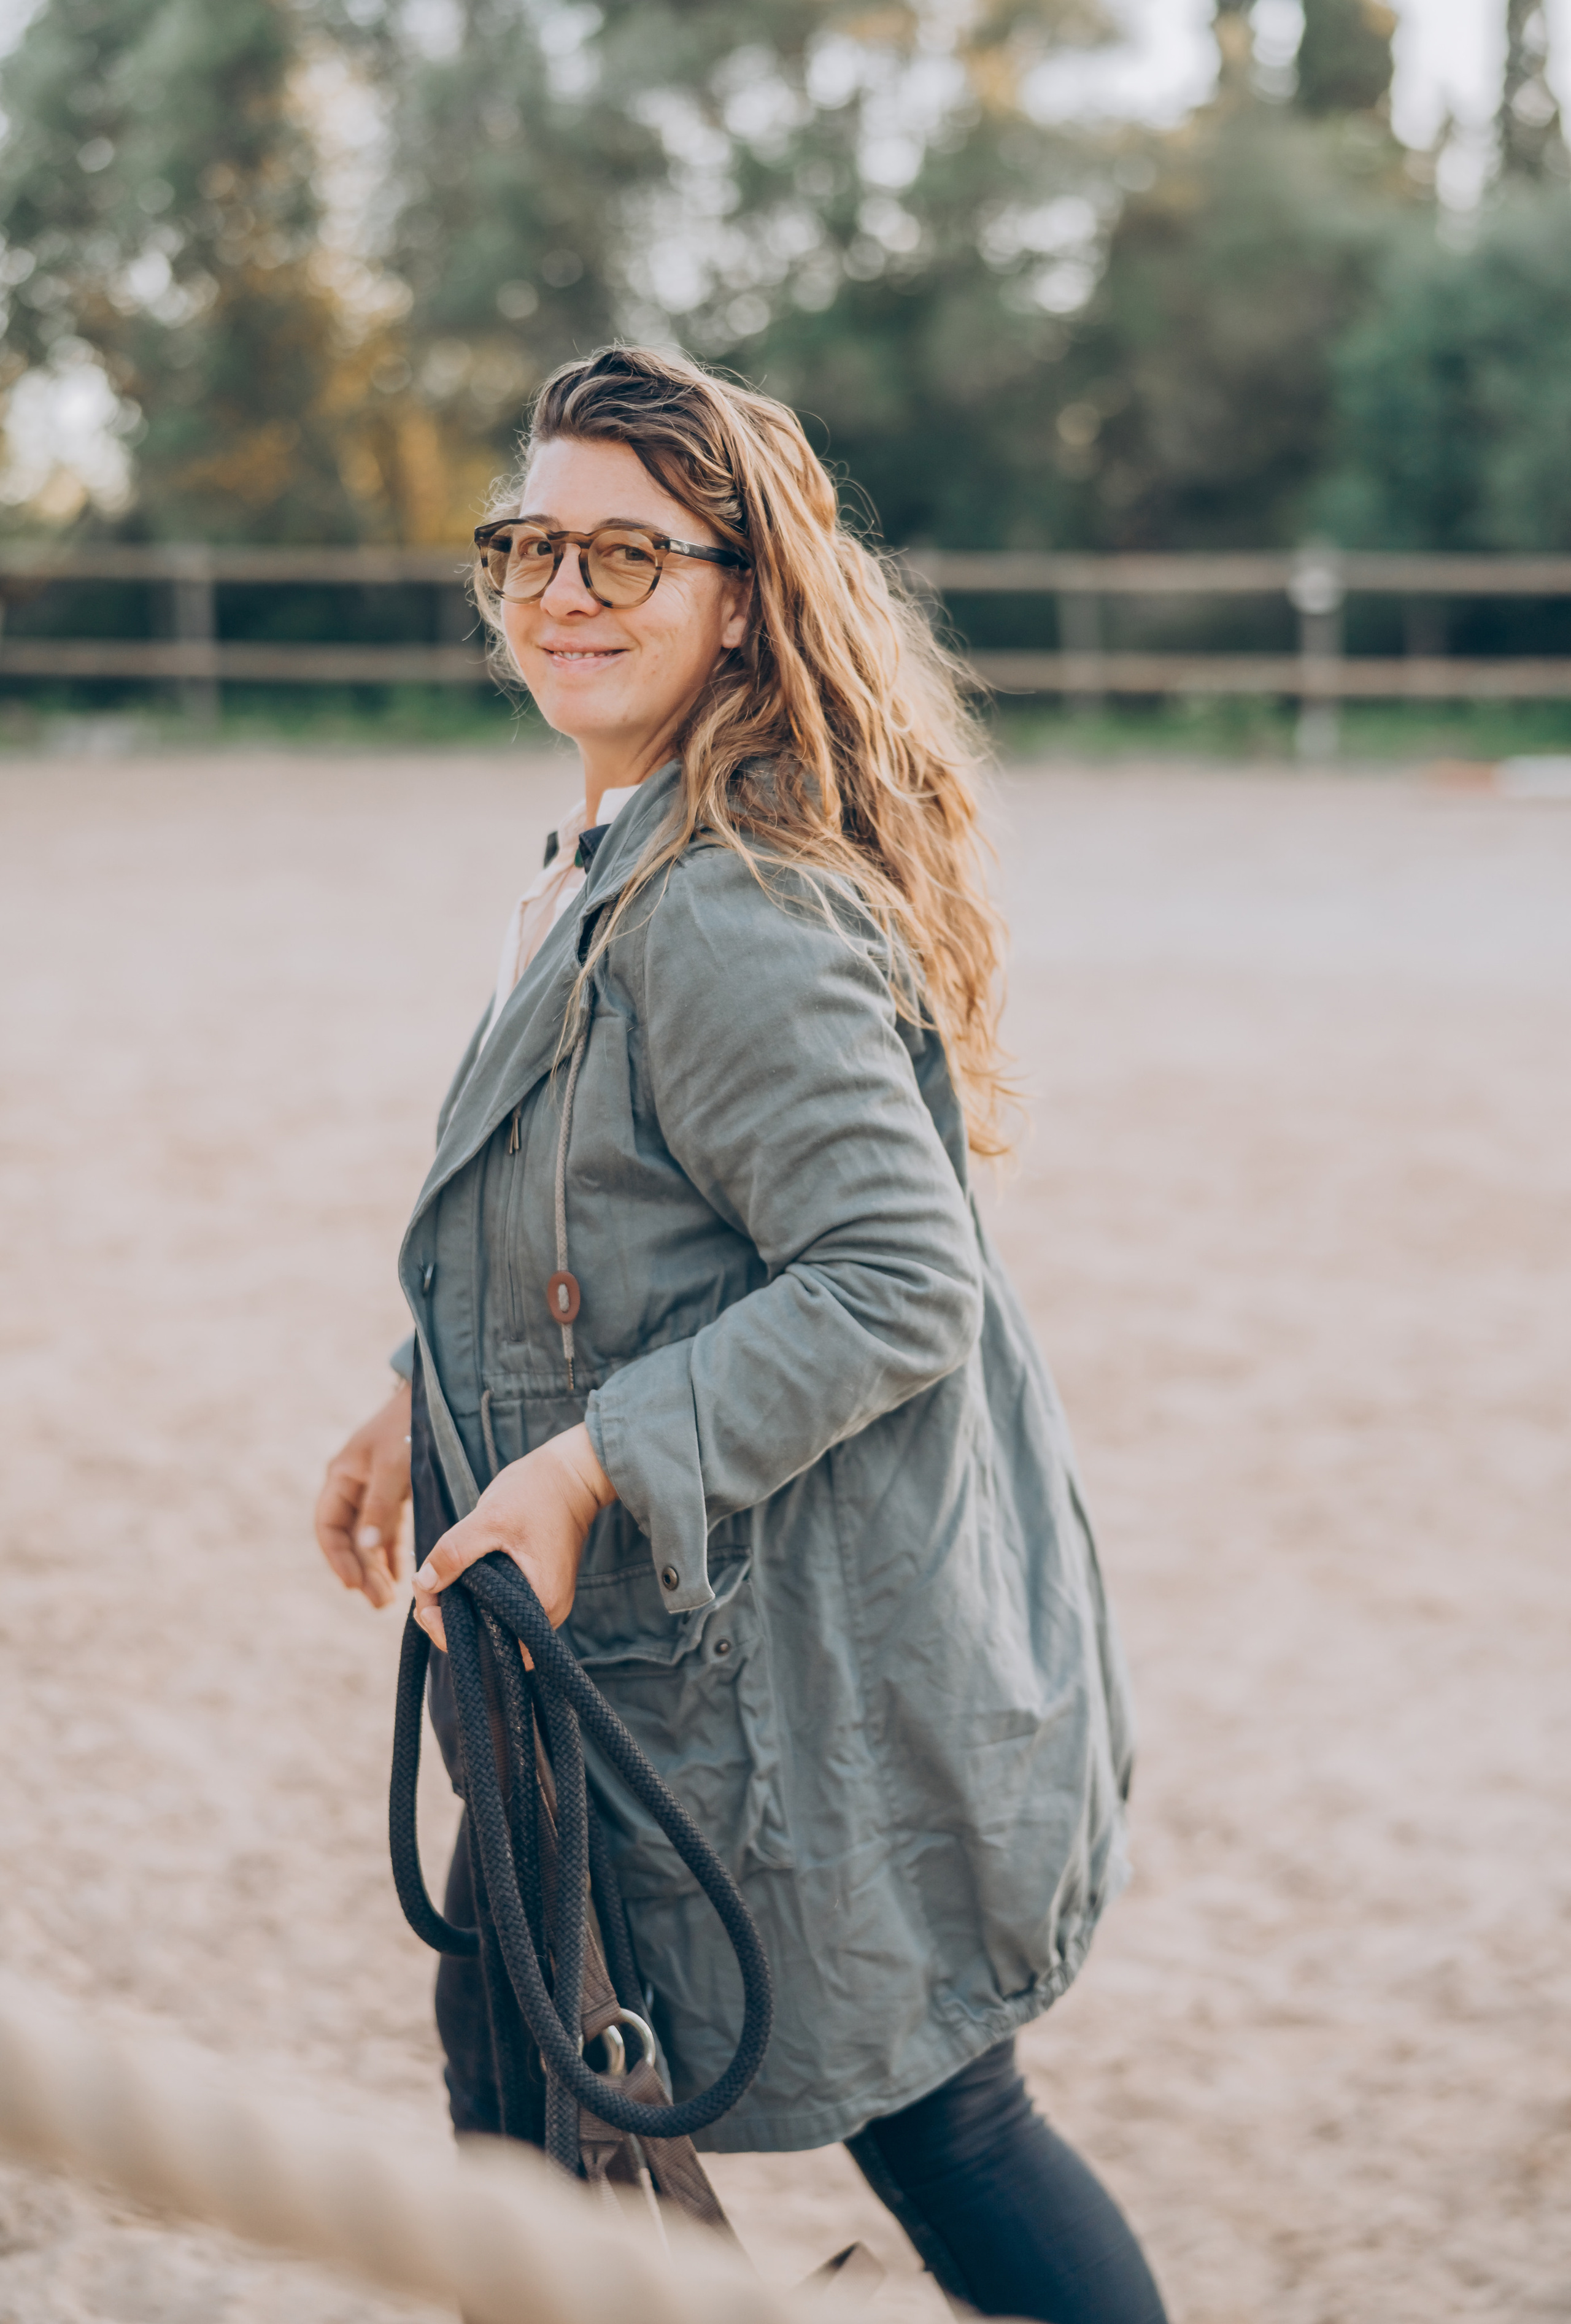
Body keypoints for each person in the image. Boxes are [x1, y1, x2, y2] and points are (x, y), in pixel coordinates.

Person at [314, 345, 1166, 2324]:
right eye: (532, 545)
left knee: (945, 2118)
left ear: (738, 599)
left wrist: (584, 1465)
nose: (564, 591)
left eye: (629, 554)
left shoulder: (724, 905)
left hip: (790, 1661)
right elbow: (596, 1203)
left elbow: (897, 1274)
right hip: (686, 1646)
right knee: (603, 2085)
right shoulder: (615, 848)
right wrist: (416, 1391)